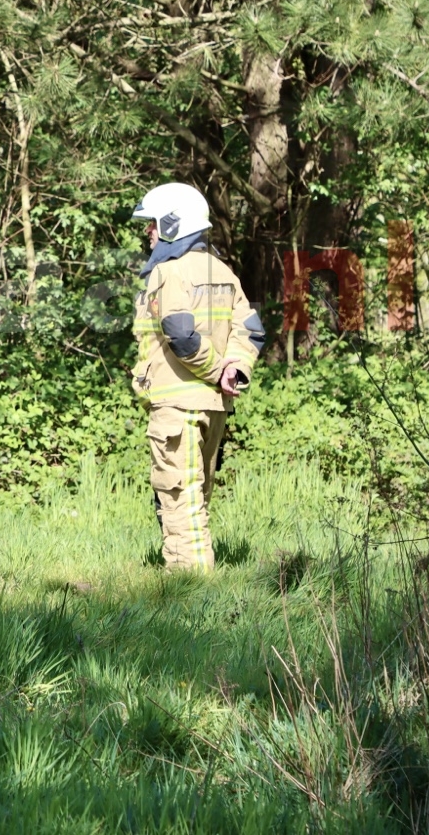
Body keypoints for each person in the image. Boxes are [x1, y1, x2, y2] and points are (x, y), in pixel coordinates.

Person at [129, 182, 265, 571]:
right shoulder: (223, 271)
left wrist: (217, 370)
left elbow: (181, 336)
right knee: (198, 495)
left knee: (178, 495)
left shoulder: (170, 272)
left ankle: (189, 588)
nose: (148, 232)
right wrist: (232, 370)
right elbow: (252, 331)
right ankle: (197, 584)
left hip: (179, 406)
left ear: (174, 224)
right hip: (213, 407)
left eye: (153, 223)